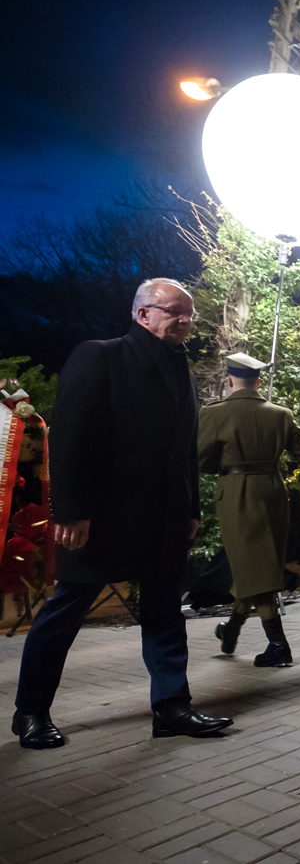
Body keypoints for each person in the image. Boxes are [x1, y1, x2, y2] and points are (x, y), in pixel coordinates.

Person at [13, 279, 233, 750]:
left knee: (165, 611)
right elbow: (70, 436)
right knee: (66, 611)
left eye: (189, 313)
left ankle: (172, 706)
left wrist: (191, 508)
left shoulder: (179, 368)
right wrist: (72, 510)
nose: (185, 320)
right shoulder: (100, 356)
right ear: (142, 314)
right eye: (174, 311)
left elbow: (184, 451)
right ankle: (30, 711)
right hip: (101, 518)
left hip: (165, 516)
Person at [198, 353, 300, 666]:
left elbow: (198, 458)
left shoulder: (214, 413)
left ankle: (278, 645)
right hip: (273, 493)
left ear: (230, 380)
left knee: (255, 569)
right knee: (258, 567)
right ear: (258, 381)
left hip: (237, 495)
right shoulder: (281, 414)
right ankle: (231, 629)